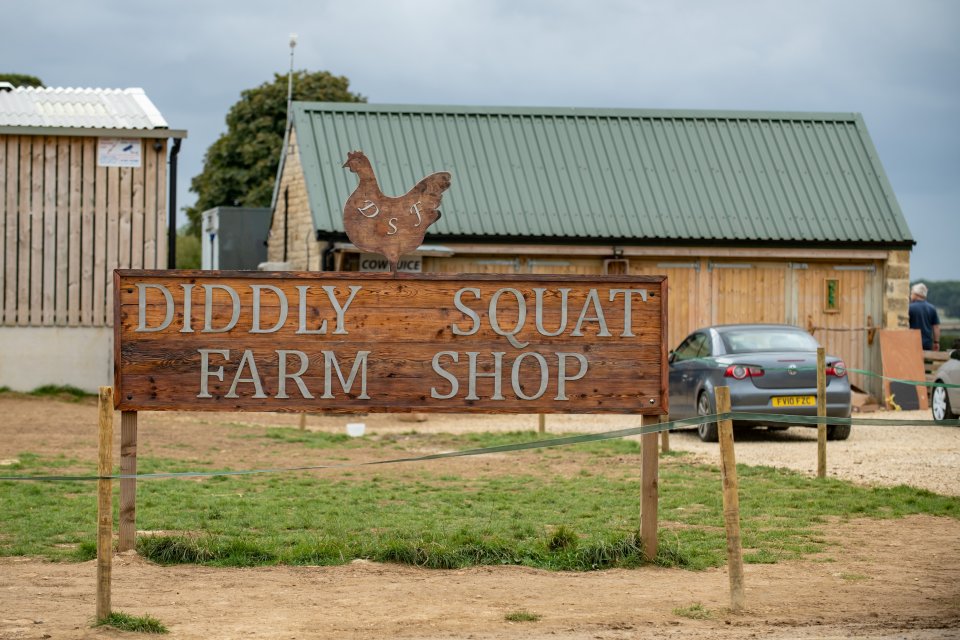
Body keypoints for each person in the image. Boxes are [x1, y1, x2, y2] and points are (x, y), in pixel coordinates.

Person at [909, 283, 941, 350]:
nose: (910, 295)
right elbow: (936, 327)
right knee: (926, 360)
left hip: (912, 342)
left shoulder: (909, 308)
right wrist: (936, 342)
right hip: (927, 343)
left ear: (916, 294)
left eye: (911, 293)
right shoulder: (932, 308)